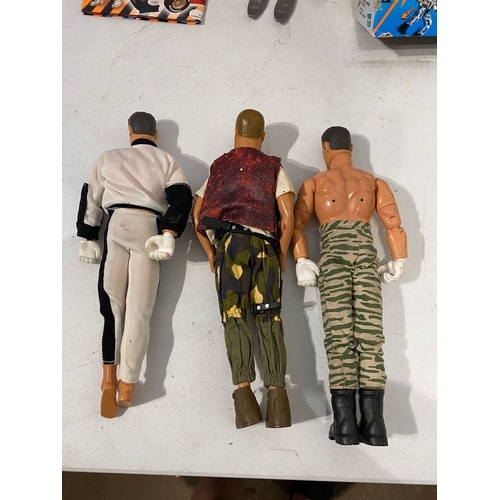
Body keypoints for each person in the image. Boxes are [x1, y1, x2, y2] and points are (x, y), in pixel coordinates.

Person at [291, 126, 407, 446]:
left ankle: (345, 423)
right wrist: (398, 258)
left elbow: (295, 225)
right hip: (366, 260)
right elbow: (393, 222)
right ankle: (374, 423)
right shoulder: (373, 182)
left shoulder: (315, 184)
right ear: (351, 148)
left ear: (325, 148)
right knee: (370, 337)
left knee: (339, 336)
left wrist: (302, 259)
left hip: (333, 261)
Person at [76, 111, 192, 418]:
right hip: (148, 228)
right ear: (156, 134)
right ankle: (128, 384)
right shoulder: (166, 161)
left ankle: (108, 378)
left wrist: (88, 235)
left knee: (111, 306)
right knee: (140, 310)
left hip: (117, 225)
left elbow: (90, 197)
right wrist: (169, 233)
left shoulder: (109, 157)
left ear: (130, 131)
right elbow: (181, 199)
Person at [192, 109, 295, 429]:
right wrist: (282, 254)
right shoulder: (273, 167)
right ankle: (278, 400)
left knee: (234, 316)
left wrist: (211, 253)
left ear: (235, 133)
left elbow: (198, 217)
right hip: (265, 248)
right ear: (262, 137)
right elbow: (288, 217)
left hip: (230, 248)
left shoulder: (219, 167)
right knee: (269, 316)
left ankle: (245, 400)